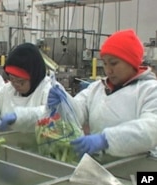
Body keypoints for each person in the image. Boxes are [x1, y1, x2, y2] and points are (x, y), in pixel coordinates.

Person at [48, 29, 157, 163]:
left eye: (113, 63)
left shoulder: (150, 90)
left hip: (139, 168)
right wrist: (62, 103)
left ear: (132, 62)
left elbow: (150, 129)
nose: (108, 70)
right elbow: (76, 113)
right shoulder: (97, 88)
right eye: (104, 63)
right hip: (101, 166)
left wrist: (106, 139)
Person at [0, 43, 57, 131]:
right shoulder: (7, 89)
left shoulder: (49, 90)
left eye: (21, 81)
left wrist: (21, 116)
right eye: (11, 78)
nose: (16, 84)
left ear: (34, 77)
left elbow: (51, 112)